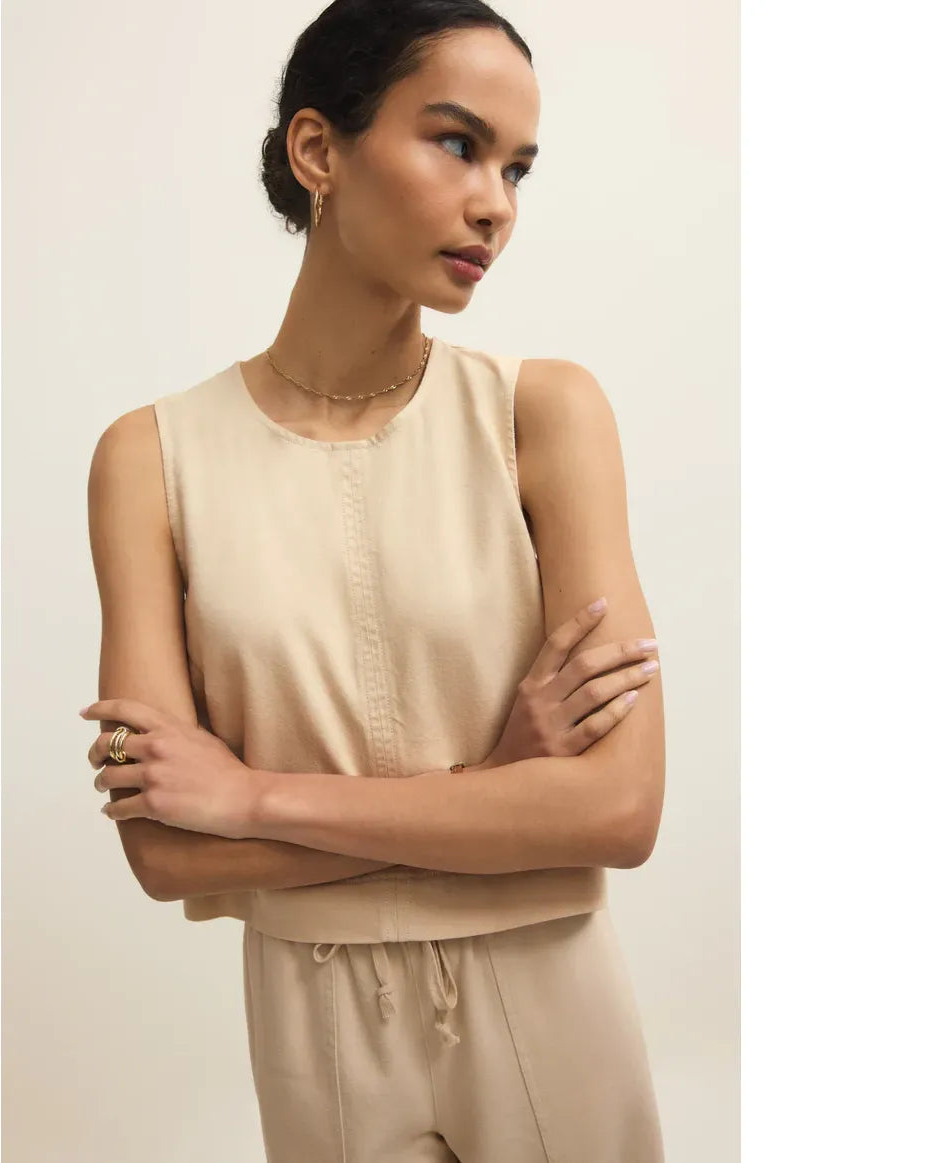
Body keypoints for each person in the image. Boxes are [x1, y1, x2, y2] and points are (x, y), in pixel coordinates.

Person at [83, 1, 667, 1159]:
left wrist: (251, 798)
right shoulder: (148, 459)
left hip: (546, 990)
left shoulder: (544, 413)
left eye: (515, 167)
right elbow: (166, 851)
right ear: (318, 150)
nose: (495, 203)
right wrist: (493, 785)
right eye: (456, 143)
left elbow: (615, 808)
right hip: (314, 1018)